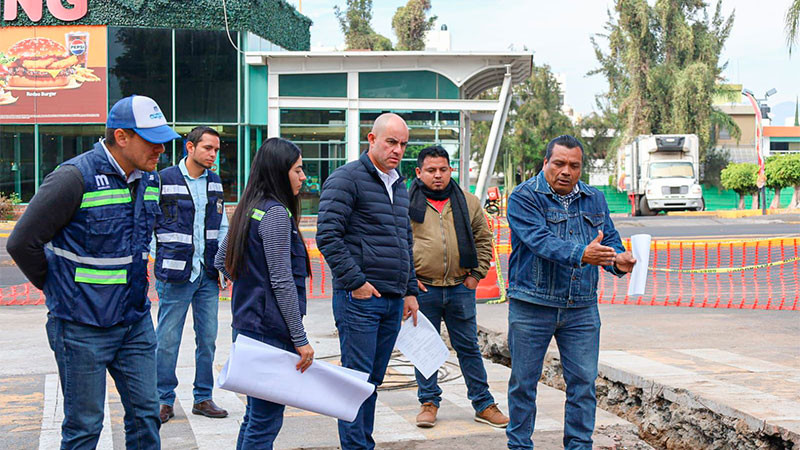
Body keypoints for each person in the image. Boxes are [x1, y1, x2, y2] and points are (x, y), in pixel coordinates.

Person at [6, 94, 179, 448]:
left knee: (147, 416)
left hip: (134, 323)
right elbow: (22, 243)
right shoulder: (73, 178)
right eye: (153, 141)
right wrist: (60, 289)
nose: (161, 149)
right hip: (81, 328)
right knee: (84, 428)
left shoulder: (150, 181)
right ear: (121, 137)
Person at [504, 135, 636, 450]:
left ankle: (579, 445)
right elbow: (540, 241)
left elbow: (610, 241)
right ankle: (519, 445)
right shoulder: (524, 197)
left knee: (583, 385)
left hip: (581, 308)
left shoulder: (594, 198)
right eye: (559, 163)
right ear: (545, 163)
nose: (566, 171)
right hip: (532, 305)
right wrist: (582, 254)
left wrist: (620, 260)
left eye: (574, 165)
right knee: (523, 384)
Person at [316, 112, 419, 450]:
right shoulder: (347, 179)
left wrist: (409, 291)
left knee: (372, 383)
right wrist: (356, 282)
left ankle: (364, 444)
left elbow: (405, 240)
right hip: (360, 299)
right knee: (355, 382)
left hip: (391, 299)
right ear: (371, 139)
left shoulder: (399, 184)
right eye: (391, 141)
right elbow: (328, 236)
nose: (398, 150)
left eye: (403, 144)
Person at [214, 137, 313, 449]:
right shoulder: (275, 215)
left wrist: (252, 286)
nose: (303, 176)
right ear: (278, 171)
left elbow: (220, 260)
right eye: (297, 170)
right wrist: (300, 339)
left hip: (247, 326)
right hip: (271, 332)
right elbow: (282, 282)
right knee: (265, 421)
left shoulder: (248, 208)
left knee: (254, 417)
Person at [408, 145, 510, 429]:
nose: (437, 175)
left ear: (450, 170)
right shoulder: (405, 202)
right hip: (423, 289)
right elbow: (399, 243)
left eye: (443, 169)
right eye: (431, 170)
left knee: (468, 348)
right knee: (424, 347)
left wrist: (475, 276)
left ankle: (483, 403)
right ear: (419, 172)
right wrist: (408, 280)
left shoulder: (467, 201)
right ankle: (428, 402)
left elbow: (483, 238)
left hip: (459, 288)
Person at [153, 126, 229, 423]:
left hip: (207, 274)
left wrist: (222, 264)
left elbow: (221, 226)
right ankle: (163, 400)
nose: (213, 154)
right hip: (175, 274)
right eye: (208, 148)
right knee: (167, 340)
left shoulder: (215, 182)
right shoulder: (164, 179)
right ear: (190, 147)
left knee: (207, 339)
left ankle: (203, 397)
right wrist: (153, 258)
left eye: (216, 150)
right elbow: (150, 222)